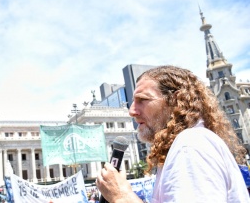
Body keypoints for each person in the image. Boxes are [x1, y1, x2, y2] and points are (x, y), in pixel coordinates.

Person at [96, 65, 250, 202]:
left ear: (175, 102)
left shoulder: (190, 145)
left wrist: (122, 196)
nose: (132, 111)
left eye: (142, 100)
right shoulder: (184, 146)